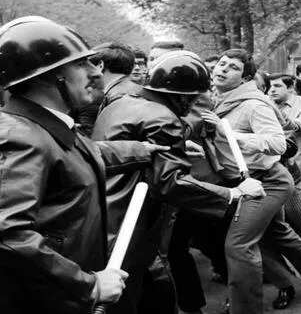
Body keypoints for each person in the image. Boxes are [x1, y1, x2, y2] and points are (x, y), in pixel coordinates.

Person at [0, 16, 167, 313]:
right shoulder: (16, 137)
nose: (96, 75)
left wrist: (143, 149)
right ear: (48, 76)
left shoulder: (44, 128)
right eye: (81, 65)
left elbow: (85, 155)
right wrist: (88, 285)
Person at [92, 50, 265, 314]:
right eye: (194, 97)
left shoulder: (119, 103)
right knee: (136, 295)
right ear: (184, 96)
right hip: (132, 223)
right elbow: (170, 182)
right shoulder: (163, 118)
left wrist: (179, 147)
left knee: (149, 289)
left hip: (102, 217)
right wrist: (233, 193)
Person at [202, 49, 301, 314]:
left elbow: (278, 143)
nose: (222, 69)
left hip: (267, 182)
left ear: (245, 78)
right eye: (221, 64)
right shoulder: (216, 100)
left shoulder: (254, 104)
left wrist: (230, 133)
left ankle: (245, 309)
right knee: (273, 237)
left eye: (231, 67)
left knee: (238, 244)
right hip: (241, 182)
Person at [265, 73, 301, 309]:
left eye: (277, 86)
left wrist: (274, 115)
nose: (271, 90)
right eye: (268, 86)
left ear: (291, 87)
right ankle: (284, 285)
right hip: (265, 176)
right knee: (266, 237)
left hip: (295, 172)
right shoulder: (259, 102)